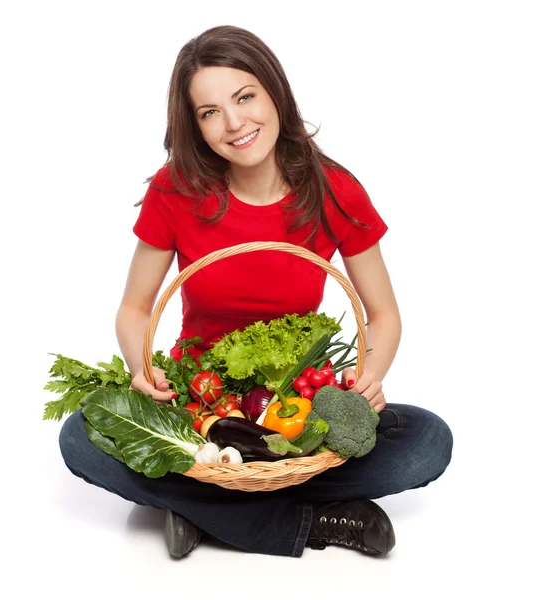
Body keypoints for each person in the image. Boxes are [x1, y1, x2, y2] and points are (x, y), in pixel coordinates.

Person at [58, 25, 453, 559]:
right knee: (82, 437)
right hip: (199, 406)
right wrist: (140, 367)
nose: (235, 123)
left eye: (245, 97)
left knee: (427, 440)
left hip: (296, 407)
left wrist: (368, 378)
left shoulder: (335, 190)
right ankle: (314, 522)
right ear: (195, 126)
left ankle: (202, 509)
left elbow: (382, 314)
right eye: (210, 111)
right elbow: (134, 309)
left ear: (274, 91)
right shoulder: (174, 190)